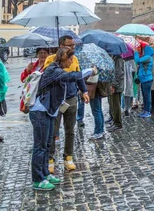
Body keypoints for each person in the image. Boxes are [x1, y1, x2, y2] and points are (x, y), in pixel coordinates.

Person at [30, 47, 94, 191]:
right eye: (70, 59)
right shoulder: (53, 70)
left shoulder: (57, 69)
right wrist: (89, 71)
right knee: (40, 147)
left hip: (49, 111)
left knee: (46, 145)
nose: (72, 61)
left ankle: (45, 174)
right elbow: (70, 76)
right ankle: (37, 179)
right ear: (64, 58)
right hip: (40, 112)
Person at [44, 36, 89, 173]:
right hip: (56, 100)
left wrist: (84, 91)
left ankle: (68, 157)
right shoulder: (51, 60)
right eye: (70, 45)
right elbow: (47, 77)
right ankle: (50, 159)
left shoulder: (74, 59)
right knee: (53, 131)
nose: (73, 48)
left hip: (71, 98)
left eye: (74, 45)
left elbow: (78, 76)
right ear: (61, 46)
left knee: (70, 130)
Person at [134, 43, 154, 117]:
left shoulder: (148, 57)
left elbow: (137, 60)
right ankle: (145, 110)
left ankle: (147, 111)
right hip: (144, 79)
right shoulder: (147, 57)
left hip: (147, 79)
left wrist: (135, 52)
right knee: (145, 96)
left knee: (147, 96)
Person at [106, 55, 124, 132]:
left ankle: (118, 124)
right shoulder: (114, 58)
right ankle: (115, 122)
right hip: (114, 85)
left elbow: (119, 74)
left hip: (116, 87)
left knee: (116, 105)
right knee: (113, 104)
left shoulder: (118, 59)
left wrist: (113, 85)